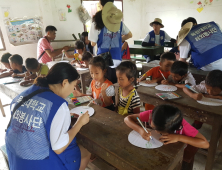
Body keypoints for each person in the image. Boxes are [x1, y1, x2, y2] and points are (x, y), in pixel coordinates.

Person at [5, 62, 91, 170]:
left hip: (16, 158)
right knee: (85, 152)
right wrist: (79, 123)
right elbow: (59, 148)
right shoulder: (58, 104)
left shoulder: (27, 93)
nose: (73, 90)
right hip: (38, 163)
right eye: (73, 86)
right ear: (64, 83)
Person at [124, 104, 209, 149]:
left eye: (159, 131)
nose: (156, 132)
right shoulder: (152, 114)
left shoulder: (183, 126)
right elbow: (127, 118)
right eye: (153, 127)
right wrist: (140, 130)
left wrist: (179, 137)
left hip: (174, 150)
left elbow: (205, 144)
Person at [89, 1, 132, 67]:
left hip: (103, 60)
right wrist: (118, 39)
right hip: (117, 58)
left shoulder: (96, 22)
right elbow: (129, 35)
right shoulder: (118, 22)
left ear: (101, 5)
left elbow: (93, 43)